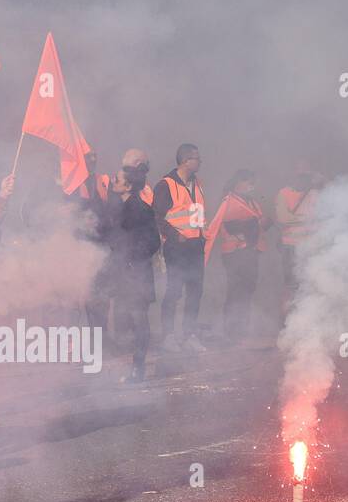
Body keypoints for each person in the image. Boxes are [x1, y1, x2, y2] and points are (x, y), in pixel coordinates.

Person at [99, 150, 160, 383]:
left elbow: (153, 241)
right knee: (123, 320)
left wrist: (133, 257)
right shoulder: (115, 207)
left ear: (127, 186)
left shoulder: (141, 209)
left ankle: (139, 368)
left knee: (139, 319)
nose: (112, 182)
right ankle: (127, 366)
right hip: (122, 273)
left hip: (137, 273)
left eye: (117, 180)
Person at [151, 143, 207, 353]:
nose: (200, 162)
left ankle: (189, 335)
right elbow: (157, 218)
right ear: (185, 160)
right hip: (177, 248)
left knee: (196, 291)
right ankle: (168, 336)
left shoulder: (197, 183)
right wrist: (176, 235)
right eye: (196, 158)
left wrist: (201, 236)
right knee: (174, 291)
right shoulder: (166, 185)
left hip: (196, 247)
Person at [205, 169, 269, 344]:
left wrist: (261, 224)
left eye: (253, 182)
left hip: (251, 251)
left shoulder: (253, 202)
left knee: (248, 289)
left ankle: (242, 329)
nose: (251, 186)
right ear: (238, 183)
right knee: (235, 290)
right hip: (234, 252)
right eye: (248, 182)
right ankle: (230, 330)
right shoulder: (228, 201)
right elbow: (225, 225)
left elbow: (261, 222)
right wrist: (248, 228)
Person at [274, 159, 324, 321]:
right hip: (290, 247)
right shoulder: (284, 193)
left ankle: (304, 322)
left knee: (309, 285)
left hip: (310, 247)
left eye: (306, 174)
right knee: (290, 286)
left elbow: (321, 218)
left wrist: (298, 218)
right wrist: (306, 219)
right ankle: (286, 323)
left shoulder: (315, 194)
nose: (302, 178)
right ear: (293, 175)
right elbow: (283, 218)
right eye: (300, 174)